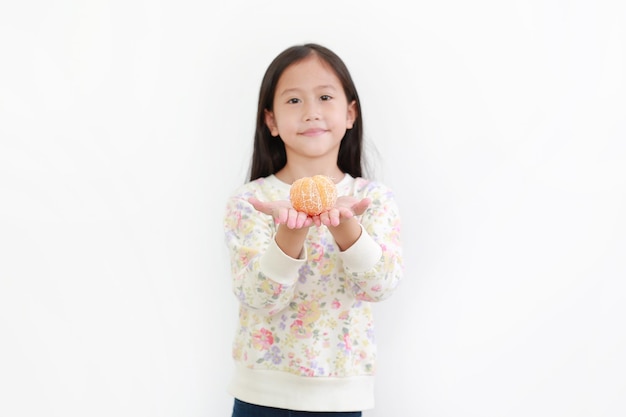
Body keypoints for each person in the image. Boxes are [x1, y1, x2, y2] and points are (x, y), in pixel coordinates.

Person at [223, 43, 404, 417]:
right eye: (293, 101)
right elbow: (257, 297)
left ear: (350, 113)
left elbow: (380, 285)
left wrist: (347, 228)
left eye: (324, 97)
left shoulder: (371, 199)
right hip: (263, 394)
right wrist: (290, 234)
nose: (311, 113)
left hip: (341, 397)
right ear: (270, 120)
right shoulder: (252, 201)